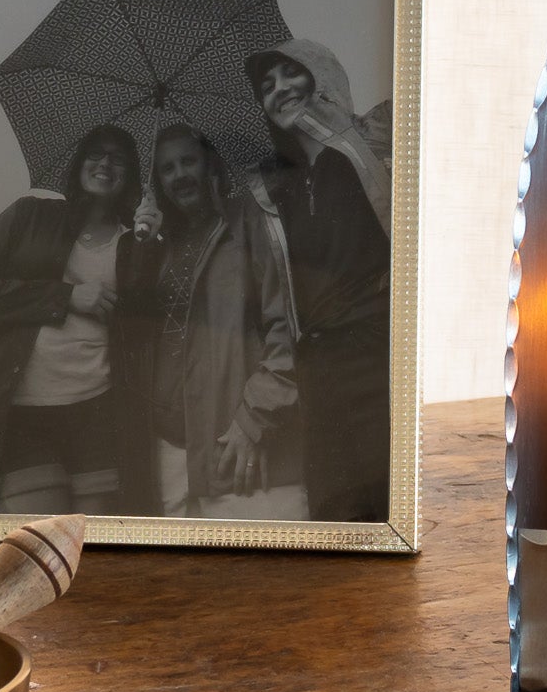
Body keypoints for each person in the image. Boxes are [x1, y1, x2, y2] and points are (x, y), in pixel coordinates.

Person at [241, 38, 392, 523]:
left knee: (390, 508)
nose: (279, 89)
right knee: (335, 514)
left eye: (292, 72)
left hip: (380, 356)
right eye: (267, 86)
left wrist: (326, 123)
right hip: (321, 372)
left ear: (322, 74)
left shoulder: (380, 140)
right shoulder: (274, 190)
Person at [0, 124, 154, 515]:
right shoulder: (29, 215)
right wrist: (66, 296)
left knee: (94, 539)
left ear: (132, 175)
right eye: (96, 153)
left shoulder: (135, 240)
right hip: (24, 410)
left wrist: (151, 244)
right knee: (42, 534)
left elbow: (147, 323)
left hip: (98, 409)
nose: (106, 164)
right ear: (79, 162)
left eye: (119, 158)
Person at [125, 123, 306, 520]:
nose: (179, 175)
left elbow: (288, 327)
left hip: (241, 448)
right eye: (167, 168)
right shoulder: (161, 243)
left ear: (210, 165)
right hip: (170, 457)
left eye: (188, 161)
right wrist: (143, 247)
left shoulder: (250, 220)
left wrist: (254, 419)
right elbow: (132, 333)